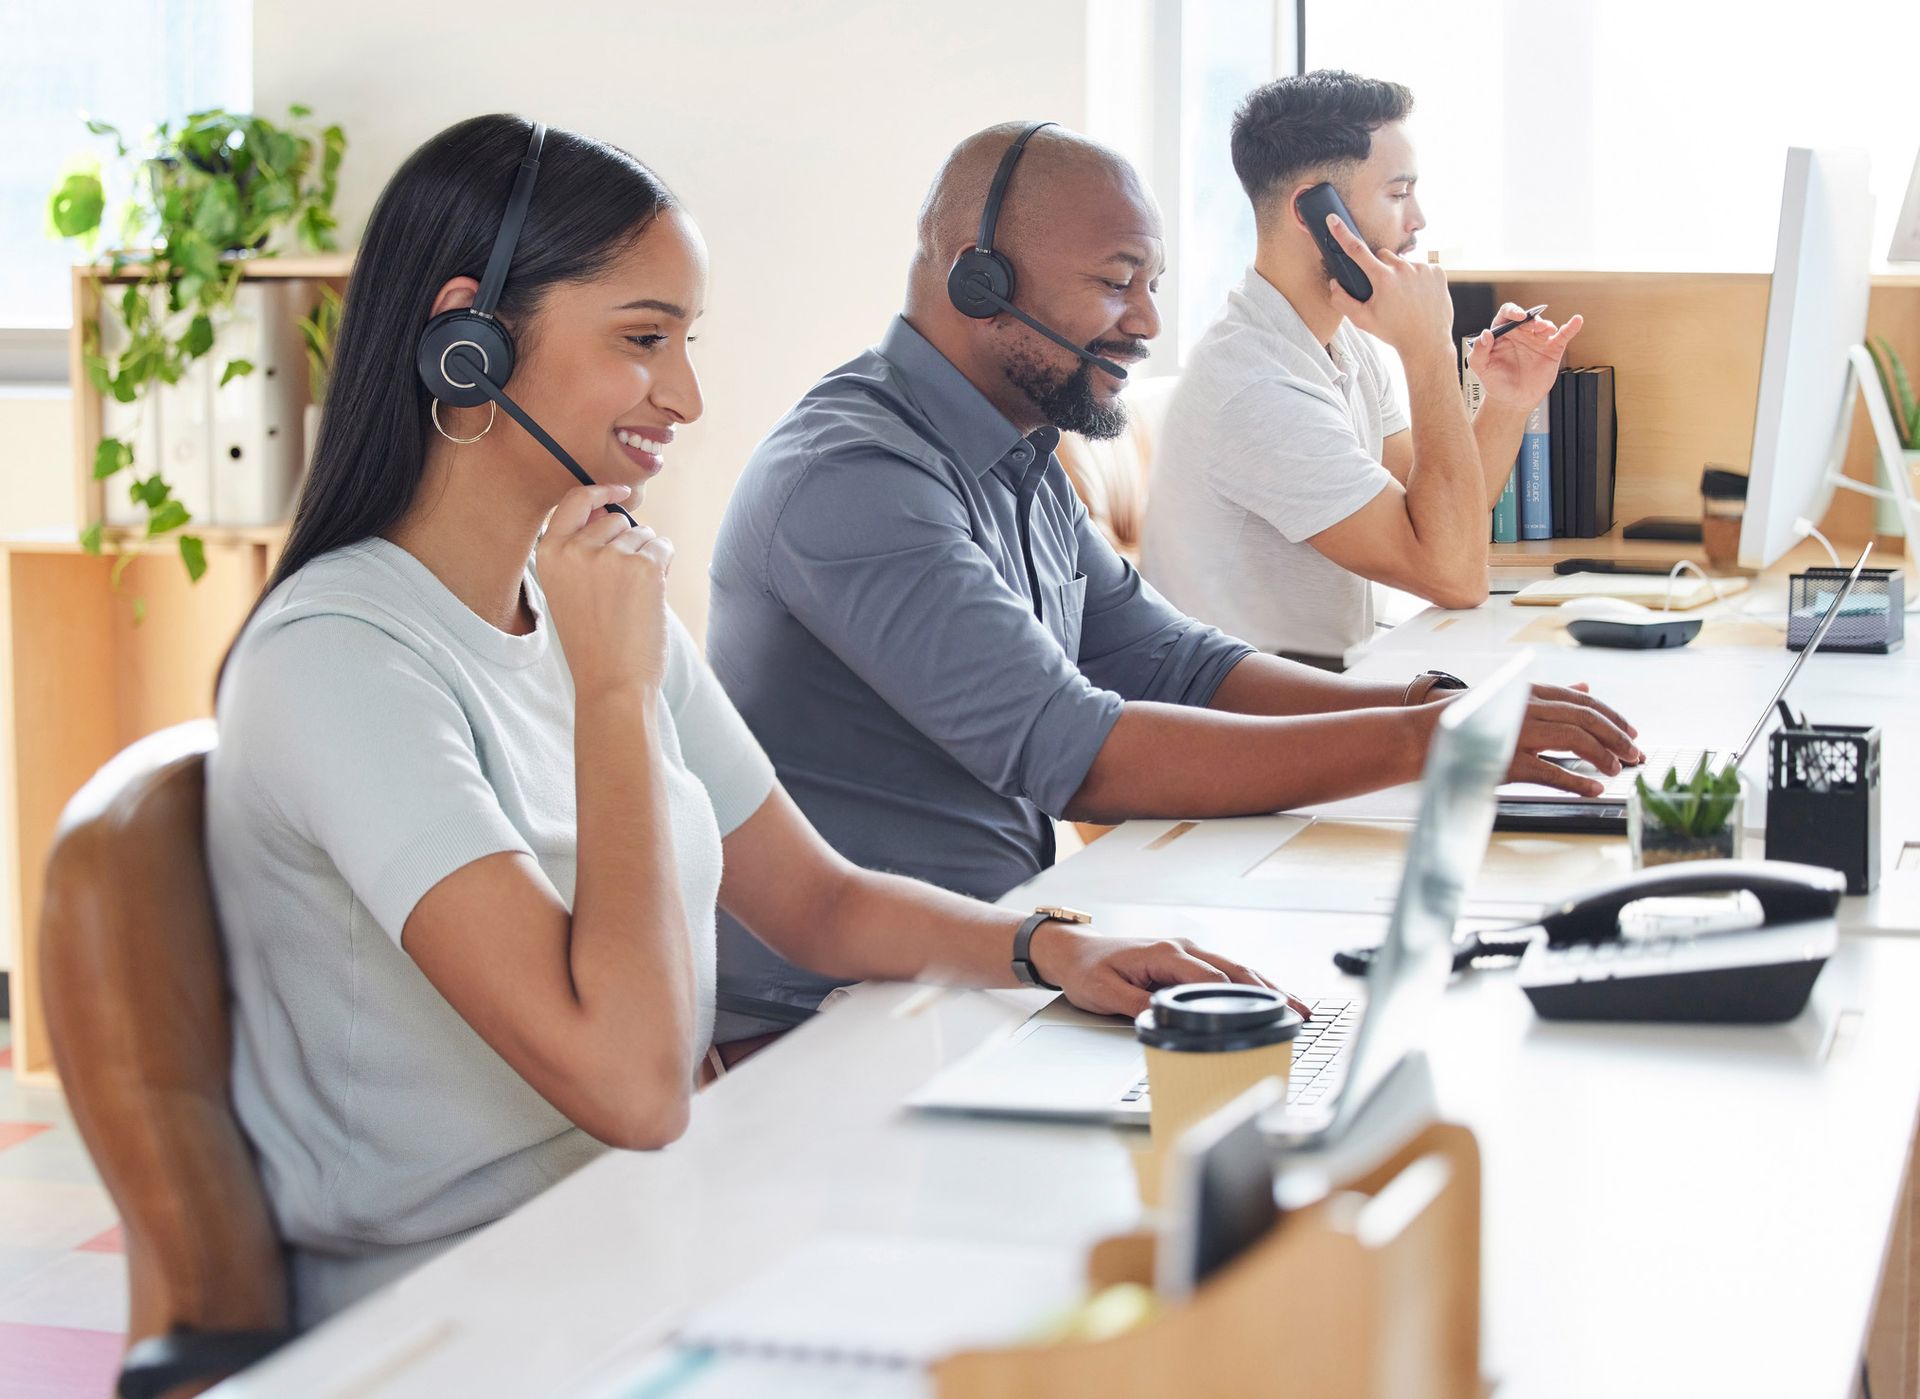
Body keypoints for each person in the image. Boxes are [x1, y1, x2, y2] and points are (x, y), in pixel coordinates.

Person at [206, 114, 1276, 1327]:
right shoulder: (342, 660)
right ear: (470, 340)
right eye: (643, 339)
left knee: (1124, 1269)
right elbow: (634, 1085)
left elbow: (815, 898)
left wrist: (1046, 951)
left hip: (664, 1221)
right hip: (473, 1304)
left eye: (686, 340)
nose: (689, 394)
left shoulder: (587, 597)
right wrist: (611, 693)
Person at [706, 121, 1639, 1042]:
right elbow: (1081, 756)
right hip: (837, 1017)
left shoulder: (1011, 447)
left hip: (1005, 956)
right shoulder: (856, 479)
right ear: (975, 277)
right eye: (1117, 284)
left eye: (1151, 286)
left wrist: (1418, 701)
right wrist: (1426, 742)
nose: (1149, 322)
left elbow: (1172, 662)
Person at [1143, 70, 1584, 667]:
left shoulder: (1338, 342)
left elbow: (1434, 517)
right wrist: (1428, 348)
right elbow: (1453, 574)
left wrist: (1505, 402)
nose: (1419, 219)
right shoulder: (1256, 387)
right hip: (1256, 730)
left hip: (1325, 692)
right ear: (1317, 213)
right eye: (1399, 194)